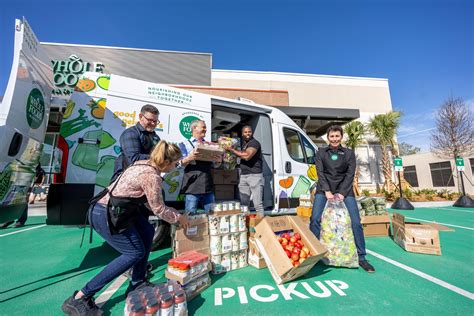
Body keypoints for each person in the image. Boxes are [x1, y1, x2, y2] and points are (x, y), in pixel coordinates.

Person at [62, 141, 189, 316]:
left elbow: (150, 204)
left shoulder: (142, 163)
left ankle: (138, 282)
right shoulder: (151, 176)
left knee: (147, 231)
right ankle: (80, 297)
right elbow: (158, 208)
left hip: (119, 210)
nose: (176, 167)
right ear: (166, 162)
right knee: (133, 253)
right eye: (175, 164)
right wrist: (178, 217)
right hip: (106, 214)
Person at [309, 125, 375, 273]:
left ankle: (362, 257)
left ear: (341, 137)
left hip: (345, 190)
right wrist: (327, 191)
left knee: (355, 222)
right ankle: (312, 255)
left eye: (337, 136)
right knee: (314, 219)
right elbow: (320, 172)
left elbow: (350, 174)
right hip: (324, 189)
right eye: (331, 136)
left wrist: (342, 193)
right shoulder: (320, 152)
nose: (334, 139)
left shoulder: (349, 153)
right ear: (328, 137)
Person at [179, 120, 222, 213]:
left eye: (205, 127)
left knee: (212, 215)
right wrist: (189, 158)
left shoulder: (209, 145)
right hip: (192, 186)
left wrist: (218, 162)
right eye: (203, 127)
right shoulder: (184, 144)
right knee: (190, 216)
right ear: (194, 128)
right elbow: (180, 164)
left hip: (207, 185)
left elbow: (215, 165)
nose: (205, 129)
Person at [110, 104, 161, 182]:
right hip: (126, 182)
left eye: (155, 121)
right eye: (150, 120)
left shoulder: (156, 137)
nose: (153, 124)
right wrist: (159, 158)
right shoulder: (131, 133)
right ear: (141, 116)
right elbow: (134, 159)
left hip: (146, 181)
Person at [224, 125, 264, 215]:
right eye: (245, 132)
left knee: (258, 205)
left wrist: (231, 150)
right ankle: (246, 224)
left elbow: (246, 156)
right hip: (243, 176)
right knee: (244, 205)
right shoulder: (243, 144)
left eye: (249, 132)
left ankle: (261, 227)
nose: (247, 134)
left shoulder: (254, 143)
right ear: (242, 133)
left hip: (255, 176)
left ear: (252, 132)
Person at [0, 163, 43, 229]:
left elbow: (38, 183)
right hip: (17, 183)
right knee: (11, 201)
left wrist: (32, 194)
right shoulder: (21, 164)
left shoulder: (39, 171)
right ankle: (9, 220)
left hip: (27, 185)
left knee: (23, 201)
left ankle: (21, 220)